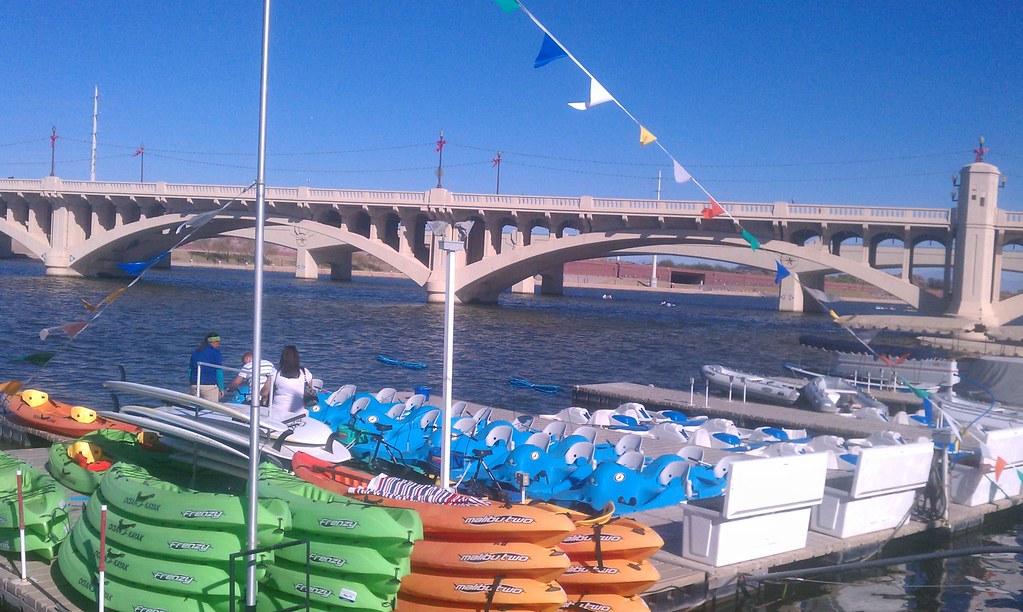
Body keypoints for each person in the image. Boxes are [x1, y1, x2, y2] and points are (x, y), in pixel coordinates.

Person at [260, 345, 313, 421]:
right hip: (301, 415)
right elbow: (309, 390)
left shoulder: (276, 373)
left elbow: (264, 393)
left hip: (277, 413)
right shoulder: (305, 372)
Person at [189, 332, 224, 401]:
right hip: (209, 386)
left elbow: (190, 370)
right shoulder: (216, 353)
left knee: (196, 408)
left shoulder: (195, 352)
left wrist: (192, 382)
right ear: (213, 342)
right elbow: (219, 372)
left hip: (195, 384)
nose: (219, 344)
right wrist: (221, 388)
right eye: (218, 342)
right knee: (211, 409)